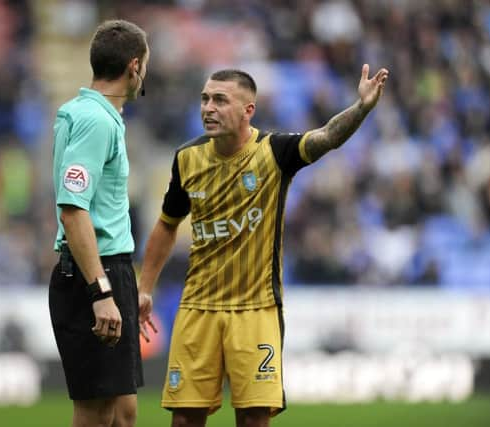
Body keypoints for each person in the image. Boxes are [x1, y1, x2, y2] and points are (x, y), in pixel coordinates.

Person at [138, 64, 389, 427]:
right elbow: (166, 225)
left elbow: (327, 136)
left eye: (220, 100)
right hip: (198, 308)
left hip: (255, 310)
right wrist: (145, 287)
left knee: (254, 419)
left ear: (247, 110)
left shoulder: (274, 152)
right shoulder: (186, 158)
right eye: (205, 99)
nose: (208, 108)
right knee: (184, 420)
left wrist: (361, 108)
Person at [49, 20, 149, 427]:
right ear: (134, 67)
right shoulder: (97, 122)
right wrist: (102, 291)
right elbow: (73, 210)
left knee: (123, 412)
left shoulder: (86, 112)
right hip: (96, 273)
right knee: (96, 414)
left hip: (111, 270)